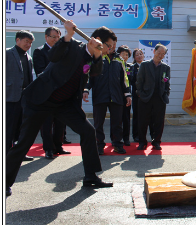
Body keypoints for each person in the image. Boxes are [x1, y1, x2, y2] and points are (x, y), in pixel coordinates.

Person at [6, 21, 115, 197]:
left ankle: (90, 176)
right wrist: (68, 35)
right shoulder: (71, 45)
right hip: (41, 100)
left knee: (88, 131)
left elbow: (95, 72)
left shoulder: (94, 56)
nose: (110, 49)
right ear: (97, 40)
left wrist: (96, 54)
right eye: (109, 45)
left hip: (65, 104)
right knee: (24, 142)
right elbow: (53, 56)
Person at [83, 39, 131, 155]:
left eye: (114, 44)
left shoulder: (119, 60)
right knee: (98, 123)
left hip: (116, 96)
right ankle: (99, 145)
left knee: (117, 123)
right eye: (109, 44)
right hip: (100, 95)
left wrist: (127, 94)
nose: (112, 46)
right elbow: (89, 76)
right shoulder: (97, 58)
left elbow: (125, 79)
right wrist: (86, 89)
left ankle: (117, 144)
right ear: (104, 45)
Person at [33, 26, 70, 159]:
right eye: (53, 37)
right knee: (47, 123)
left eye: (58, 37)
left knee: (60, 121)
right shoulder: (39, 51)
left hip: (61, 92)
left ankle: (58, 146)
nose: (56, 39)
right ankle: (48, 148)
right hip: (47, 93)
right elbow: (40, 72)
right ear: (46, 37)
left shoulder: (64, 52)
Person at [135, 44, 171, 150]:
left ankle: (156, 141)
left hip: (159, 98)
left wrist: (165, 93)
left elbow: (167, 83)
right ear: (154, 51)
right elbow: (139, 81)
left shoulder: (165, 67)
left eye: (163, 54)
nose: (160, 55)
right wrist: (140, 94)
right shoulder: (145, 65)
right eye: (159, 52)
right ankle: (142, 142)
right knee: (143, 121)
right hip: (145, 97)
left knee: (159, 121)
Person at [6, 30, 34, 161]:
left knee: (21, 128)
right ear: (17, 40)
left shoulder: (28, 57)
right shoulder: (7, 53)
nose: (28, 44)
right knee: (8, 128)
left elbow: (28, 78)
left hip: (24, 98)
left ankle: (19, 153)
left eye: (30, 42)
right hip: (9, 97)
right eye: (26, 41)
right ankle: (6, 153)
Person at [116, 45, 132, 146]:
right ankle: (116, 139)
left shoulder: (130, 67)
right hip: (117, 95)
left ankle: (126, 138)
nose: (125, 56)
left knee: (126, 118)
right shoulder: (115, 65)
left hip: (127, 96)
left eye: (127, 55)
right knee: (116, 119)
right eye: (123, 54)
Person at [130, 49, 144, 142]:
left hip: (145, 95)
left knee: (144, 116)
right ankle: (136, 135)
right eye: (137, 55)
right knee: (136, 115)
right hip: (136, 94)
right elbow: (131, 81)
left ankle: (143, 135)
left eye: (141, 54)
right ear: (134, 57)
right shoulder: (132, 67)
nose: (139, 56)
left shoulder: (146, 65)